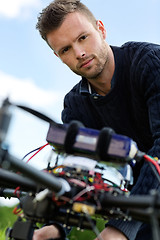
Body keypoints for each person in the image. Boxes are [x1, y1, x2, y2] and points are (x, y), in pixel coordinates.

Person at [34, 0, 160, 239]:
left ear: (101, 29)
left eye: (83, 37)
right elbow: (76, 174)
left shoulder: (151, 62)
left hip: (135, 215)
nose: (79, 53)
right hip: (142, 219)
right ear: (58, 56)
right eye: (65, 49)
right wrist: (56, 226)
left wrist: (120, 228)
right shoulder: (74, 105)